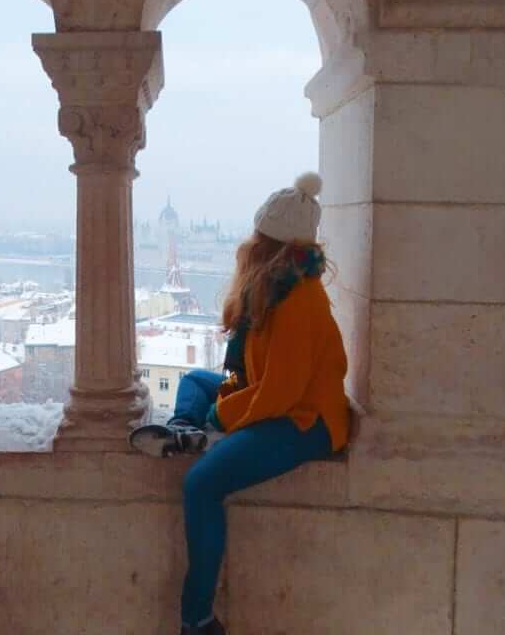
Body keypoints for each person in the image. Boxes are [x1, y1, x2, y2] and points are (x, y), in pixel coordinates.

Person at [129, 172, 351, 635]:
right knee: (195, 380)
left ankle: (198, 618)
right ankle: (184, 431)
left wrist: (222, 412)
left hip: (306, 420)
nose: (248, 243)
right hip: (270, 398)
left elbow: (281, 392)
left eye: (258, 236)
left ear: (271, 246)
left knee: (202, 485)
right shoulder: (273, 290)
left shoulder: (299, 302)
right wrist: (222, 397)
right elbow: (244, 374)